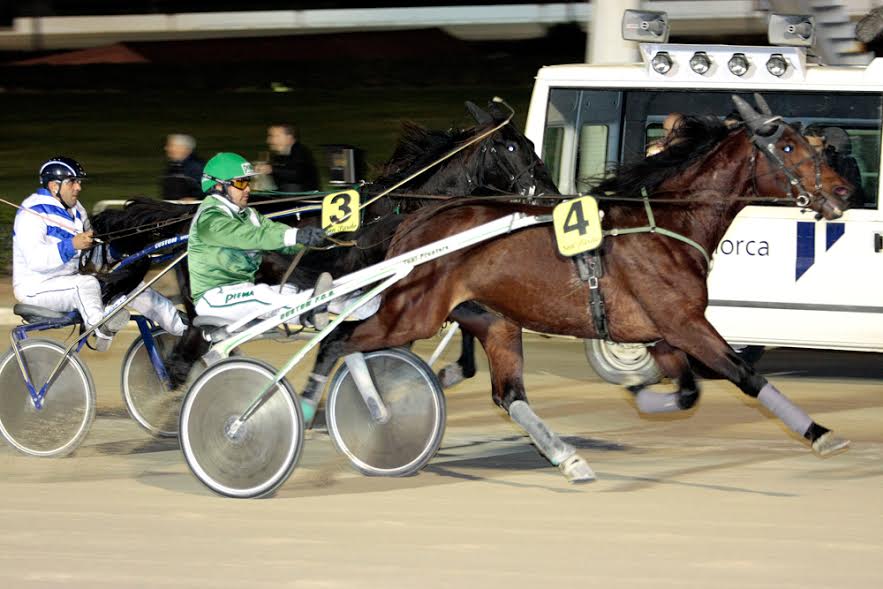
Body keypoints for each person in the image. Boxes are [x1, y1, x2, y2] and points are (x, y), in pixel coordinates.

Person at [13, 157, 186, 351]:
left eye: (78, 182)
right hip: (36, 288)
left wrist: (117, 255)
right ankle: (98, 327)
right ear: (54, 186)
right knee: (86, 285)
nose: (78, 187)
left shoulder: (77, 211)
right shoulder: (30, 213)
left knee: (130, 284)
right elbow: (36, 260)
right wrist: (72, 244)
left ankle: (181, 328)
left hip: (70, 279)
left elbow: (89, 253)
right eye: (72, 182)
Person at [255, 124, 320, 193]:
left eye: (274, 136)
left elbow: (298, 175)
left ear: (289, 138)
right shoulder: (279, 155)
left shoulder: (301, 152)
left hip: (304, 199)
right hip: (287, 198)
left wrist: (271, 169)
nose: (269, 141)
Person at [161, 134, 204, 200]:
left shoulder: (196, 167)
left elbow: (207, 190)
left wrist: (195, 198)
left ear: (182, 148)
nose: (166, 148)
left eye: (171, 145)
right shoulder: (173, 166)